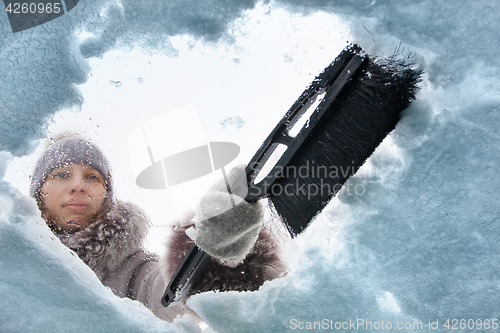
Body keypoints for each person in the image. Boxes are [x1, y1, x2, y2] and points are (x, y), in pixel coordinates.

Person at [30, 135, 285, 324]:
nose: (78, 186)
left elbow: (166, 293)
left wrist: (212, 255)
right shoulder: (13, 255)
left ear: (106, 195)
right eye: (61, 175)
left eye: (92, 177)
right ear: (39, 194)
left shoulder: (133, 271)